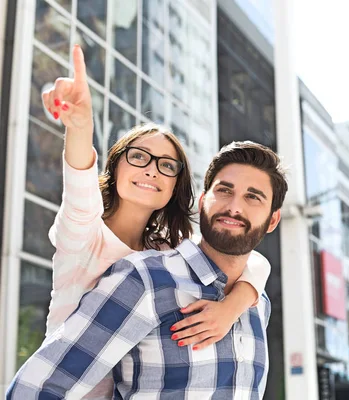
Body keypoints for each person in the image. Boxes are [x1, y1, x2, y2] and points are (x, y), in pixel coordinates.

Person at [30, 45, 271, 398]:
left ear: (175, 186)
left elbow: (250, 258)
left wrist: (230, 308)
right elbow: (79, 181)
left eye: (167, 165)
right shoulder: (82, 233)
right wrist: (81, 125)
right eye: (139, 156)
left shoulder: (165, 251)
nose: (151, 170)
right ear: (115, 167)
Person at [7, 140, 288, 399]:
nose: (234, 207)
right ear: (203, 201)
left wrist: (238, 300)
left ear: (273, 220)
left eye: (254, 197)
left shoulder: (256, 303)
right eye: (224, 191)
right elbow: (37, 388)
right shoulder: (145, 280)